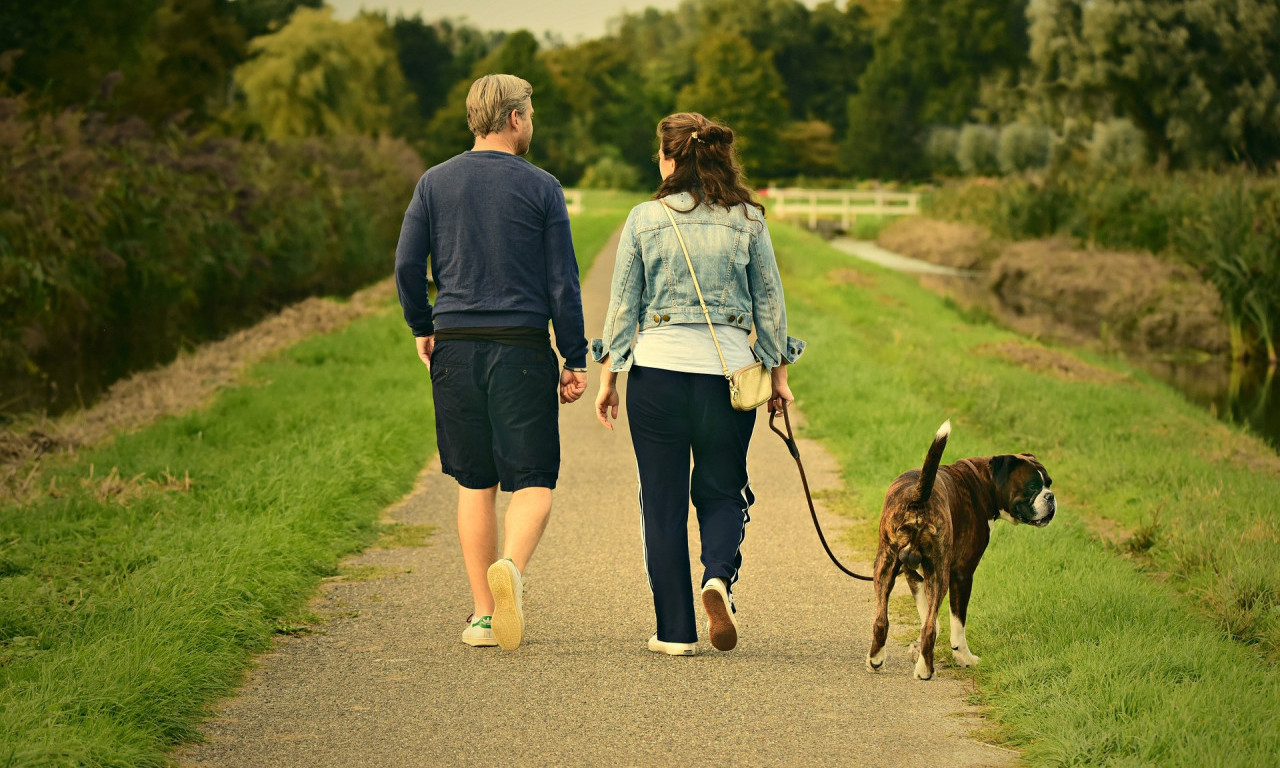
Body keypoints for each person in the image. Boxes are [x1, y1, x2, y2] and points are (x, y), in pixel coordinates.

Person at [592, 113, 805, 656]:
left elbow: (623, 308)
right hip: (728, 378)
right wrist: (778, 378)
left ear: (670, 159)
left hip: (657, 376)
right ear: (716, 157)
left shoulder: (644, 219)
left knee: (661, 502)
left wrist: (609, 378)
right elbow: (771, 306)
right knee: (722, 489)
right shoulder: (749, 220)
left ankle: (674, 632)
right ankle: (717, 577)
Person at [394, 74, 588, 652]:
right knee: (533, 480)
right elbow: (563, 282)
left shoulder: (433, 183)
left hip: (454, 345)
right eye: (529, 114)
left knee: (475, 483)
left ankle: (483, 614)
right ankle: (512, 567)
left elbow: (407, 266)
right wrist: (573, 357)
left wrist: (422, 326)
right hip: (521, 349)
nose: (532, 123)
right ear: (513, 120)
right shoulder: (543, 188)